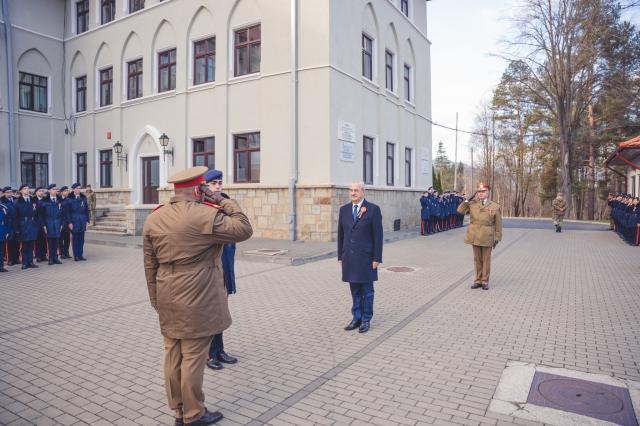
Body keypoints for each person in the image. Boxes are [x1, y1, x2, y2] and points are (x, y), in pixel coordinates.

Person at [142, 166, 252, 426]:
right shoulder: (205, 215)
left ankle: (179, 410)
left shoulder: (154, 218)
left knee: (173, 354)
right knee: (193, 357)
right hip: (197, 295)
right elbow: (244, 229)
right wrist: (224, 200)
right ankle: (193, 414)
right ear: (197, 189)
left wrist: (155, 298)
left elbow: (150, 264)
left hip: (167, 293)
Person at [203, 170, 239, 371]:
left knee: (222, 311)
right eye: (213, 183)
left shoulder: (225, 203)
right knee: (210, 313)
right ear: (206, 186)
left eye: (220, 183)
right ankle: (208, 354)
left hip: (226, 264)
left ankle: (220, 350)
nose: (218, 186)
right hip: (210, 268)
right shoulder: (203, 206)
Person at [337, 182, 383, 334]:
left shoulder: (373, 210)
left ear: (363, 192)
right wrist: (340, 256)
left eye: (356, 190)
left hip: (366, 258)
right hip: (349, 258)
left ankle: (366, 319)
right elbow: (341, 235)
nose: (353, 193)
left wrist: (377, 258)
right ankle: (356, 317)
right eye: (350, 190)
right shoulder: (344, 210)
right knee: (355, 290)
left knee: (367, 291)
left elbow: (378, 236)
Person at [457, 182, 502, 290]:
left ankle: (485, 281)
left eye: (483, 191)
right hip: (475, 235)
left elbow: (498, 224)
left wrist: (497, 237)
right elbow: (460, 210)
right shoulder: (472, 204)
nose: (481, 194)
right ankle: (477, 280)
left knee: (486, 260)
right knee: (477, 259)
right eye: (479, 192)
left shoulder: (495, 206)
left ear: (488, 192)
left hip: (487, 235)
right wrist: (467, 199)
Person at [14, 184, 39, 269]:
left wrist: (36, 224)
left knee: (31, 244)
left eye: (28, 189)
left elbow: (37, 213)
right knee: (24, 245)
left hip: (32, 223)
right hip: (23, 224)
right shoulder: (18, 202)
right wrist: (17, 229)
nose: (27, 190)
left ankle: (31, 262)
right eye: (25, 189)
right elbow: (15, 217)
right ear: (21, 191)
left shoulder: (32, 200)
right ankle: (24, 263)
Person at [41, 184, 64, 265]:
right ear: (49, 190)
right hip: (49, 224)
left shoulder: (59, 200)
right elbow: (42, 215)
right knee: (50, 242)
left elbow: (62, 214)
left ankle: (56, 258)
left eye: (56, 189)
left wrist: (61, 224)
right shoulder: (45, 201)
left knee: (57, 242)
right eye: (53, 189)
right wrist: (44, 225)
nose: (55, 190)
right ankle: (51, 258)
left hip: (57, 224)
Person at [67, 183, 89, 261]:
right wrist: (69, 222)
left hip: (82, 221)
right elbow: (68, 212)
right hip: (74, 221)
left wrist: (87, 221)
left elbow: (87, 210)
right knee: (75, 239)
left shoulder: (83, 198)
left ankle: (80, 254)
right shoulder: (69, 199)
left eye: (79, 188)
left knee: (81, 239)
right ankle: (76, 255)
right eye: (77, 188)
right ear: (73, 189)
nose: (79, 189)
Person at [1, 187, 19, 266]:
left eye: (11, 192)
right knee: (9, 243)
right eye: (8, 192)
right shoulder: (2, 202)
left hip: (16, 224)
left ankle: (16, 258)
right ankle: (10, 259)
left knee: (17, 242)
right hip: (8, 224)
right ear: (4, 193)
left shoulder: (16, 200)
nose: (10, 193)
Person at [34, 187, 49, 262]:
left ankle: (44, 255)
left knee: (44, 240)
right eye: (40, 191)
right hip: (36, 223)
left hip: (44, 222)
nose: (41, 192)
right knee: (38, 240)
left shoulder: (45, 200)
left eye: (42, 191)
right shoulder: (33, 200)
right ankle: (38, 256)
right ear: (36, 192)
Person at [58, 186, 72, 259]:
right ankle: (62, 253)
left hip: (67, 222)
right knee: (60, 239)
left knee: (67, 239)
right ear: (62, 192)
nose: (67, 192)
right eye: (65, 191)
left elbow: (70, 212)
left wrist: (70, 222)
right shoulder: (58, 200)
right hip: (60, 222)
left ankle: (66, 252)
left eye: (67, 191)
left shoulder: (69, 200)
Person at [0, 197, 10, 272]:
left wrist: (7, 231)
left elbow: (7, 220)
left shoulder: (3, 207)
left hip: (2, 230)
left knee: (1, 250)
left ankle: (1, 266)